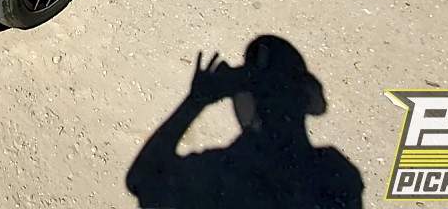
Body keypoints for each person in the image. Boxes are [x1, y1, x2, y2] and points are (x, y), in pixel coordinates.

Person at [126, 36, 364, 209]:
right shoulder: (336, 172)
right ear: (303, 97)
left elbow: (143, 179)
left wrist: (196, 101)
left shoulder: (220, 172)